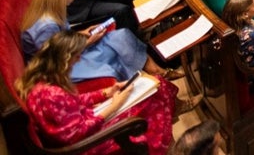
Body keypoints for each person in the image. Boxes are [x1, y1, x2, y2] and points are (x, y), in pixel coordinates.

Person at [16, 31, 178, 155]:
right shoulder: (52, 94)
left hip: (86, 125)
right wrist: (115, 105)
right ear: (65, 59)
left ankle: (172, 122)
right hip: (89, 144)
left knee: (155, 86)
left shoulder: (40, 81)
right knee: (154, 95)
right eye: (77, 56)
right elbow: (77, 134)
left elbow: (73, 103)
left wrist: (106, 93)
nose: (78, 60)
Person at [21, 0, 172, 83]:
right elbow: (54, 58)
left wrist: (82, 33)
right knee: (112, 50)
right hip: (61, 68)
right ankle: (152, 78)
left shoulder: (52, 11)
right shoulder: (46, 26)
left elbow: (63, 38)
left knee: (121, 35)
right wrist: (88, 42)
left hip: (70, 51)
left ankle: (156, 71)